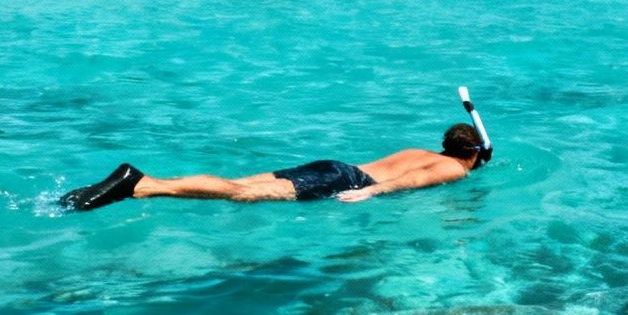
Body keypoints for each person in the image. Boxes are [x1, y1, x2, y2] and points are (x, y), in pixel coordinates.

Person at [59, 123, 489, 211]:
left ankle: (134, 185)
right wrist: (370, 192)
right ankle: (139, 183)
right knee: (240, 194)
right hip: (346, 179)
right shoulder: (456, 169)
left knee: (238, 185)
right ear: (473, 153)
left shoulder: (419, 148)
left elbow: (412, 167)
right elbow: (413, 180)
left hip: (333, 164)